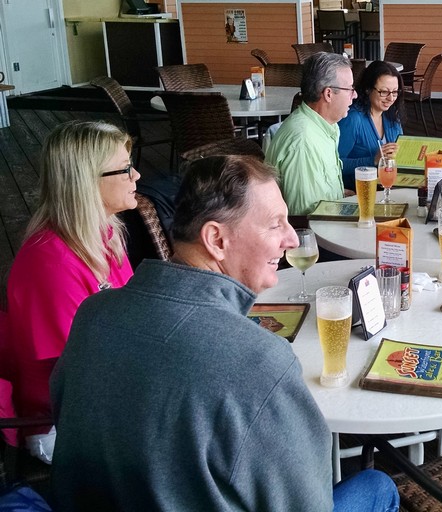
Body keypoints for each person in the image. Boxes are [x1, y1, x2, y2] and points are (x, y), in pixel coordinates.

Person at [50, 155, 400, 511]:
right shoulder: (259, 362)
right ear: (216, 239)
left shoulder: (93, 314)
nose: (292, 239)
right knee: (377, 485)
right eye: (275, 225)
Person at [5, 121, 137, 464]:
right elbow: (79, 374)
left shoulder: (103, 235)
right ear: (86, 182)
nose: (136, 175)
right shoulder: (50, 262)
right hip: (63, 422)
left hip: (107, 392)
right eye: (124, 169)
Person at [267, 52, 356, 215]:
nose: (354, 95)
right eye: (350, 89)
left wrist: (338, 196)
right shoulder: (303, 142)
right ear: (328, 94)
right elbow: (304, 218)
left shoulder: (327, 125)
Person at [338, 60, 405, 191]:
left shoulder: (392, 116)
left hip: (388, 187)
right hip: (358, 192)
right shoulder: (353, 118)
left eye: (395, 92)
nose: (391, 98)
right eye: (384, 92)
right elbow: (335, 164)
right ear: (368, 89)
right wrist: (373, 160)